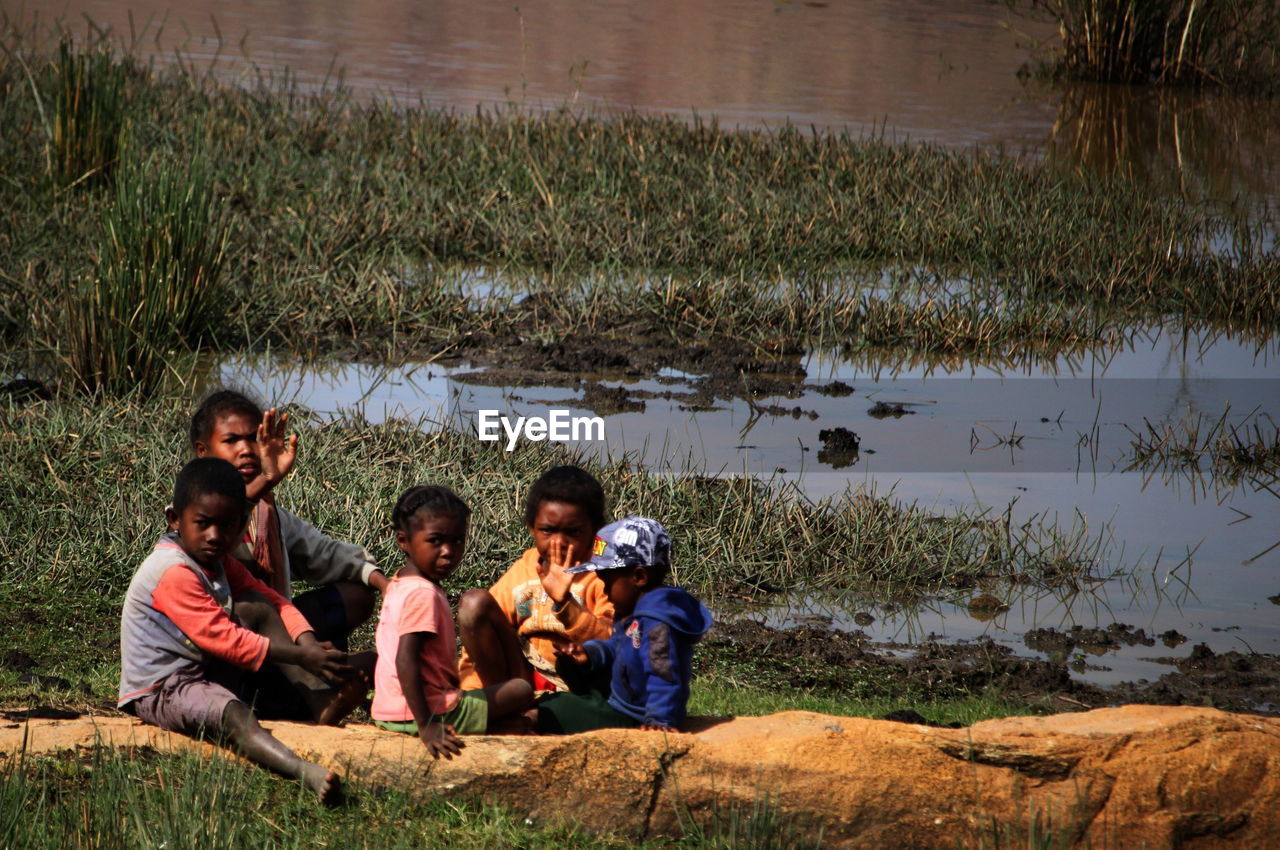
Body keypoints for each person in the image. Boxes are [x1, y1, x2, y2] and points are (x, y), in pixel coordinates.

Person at [119, 457, 358, 803]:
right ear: (175, 519)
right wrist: (302, 656)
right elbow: (226, 639)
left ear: (241, 523)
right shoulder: (173, 571)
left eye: (227, 526)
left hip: (202, 667)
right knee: (234, 715)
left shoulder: (216, 560)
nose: (215, 536)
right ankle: (301, 769)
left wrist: (310, 644)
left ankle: (320, 701)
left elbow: (273, 600)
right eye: (203, 523)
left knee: (257, 606)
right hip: (164, 687)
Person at [189, 390, 389, 650]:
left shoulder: (267, 512)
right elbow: (219, 544)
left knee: (356, 594)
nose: (246, 449)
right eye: (231, 440)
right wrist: (265, 482)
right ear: (203, 451)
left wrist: (383, 583)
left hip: (276, 626)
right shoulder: (193, 514)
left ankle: (307, 662)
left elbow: (323, 552)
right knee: (254, 605)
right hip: (224, 632)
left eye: (254, 438)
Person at [371, 485, 533, 757]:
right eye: (435, 541)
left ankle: (503, 724)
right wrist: (427, 726)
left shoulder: (399, 584)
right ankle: (508, 724)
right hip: (431, 713)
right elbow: (404, 659)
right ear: (403, 541)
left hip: (387, 711)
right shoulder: (422, 594)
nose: (448, 551)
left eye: (457, 541)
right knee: (521, 689)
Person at [536, 516, 713, 734]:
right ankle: (590, 703)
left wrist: (659, 720)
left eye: (607, 581)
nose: (604, 590)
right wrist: (589, 653)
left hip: (634, 716)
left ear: (638, 577)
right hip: (620, 697)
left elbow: (663, 675)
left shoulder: (657, 623)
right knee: (568, 665)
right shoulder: (631, 612)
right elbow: (616, 646)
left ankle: (586, 710)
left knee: (555, 708)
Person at [456, 465, 614, 692]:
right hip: (523, 678)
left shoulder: (604, 575)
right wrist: (470, 687)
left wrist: (567, 604)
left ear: (595, 529)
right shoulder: (524, 571)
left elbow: (613, 640)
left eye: (574, 532)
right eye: (548, 531)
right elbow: (482, 633)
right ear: (532, 528)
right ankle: (503, 703)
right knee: (475, 603)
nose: (558, 542)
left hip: (578, 682)